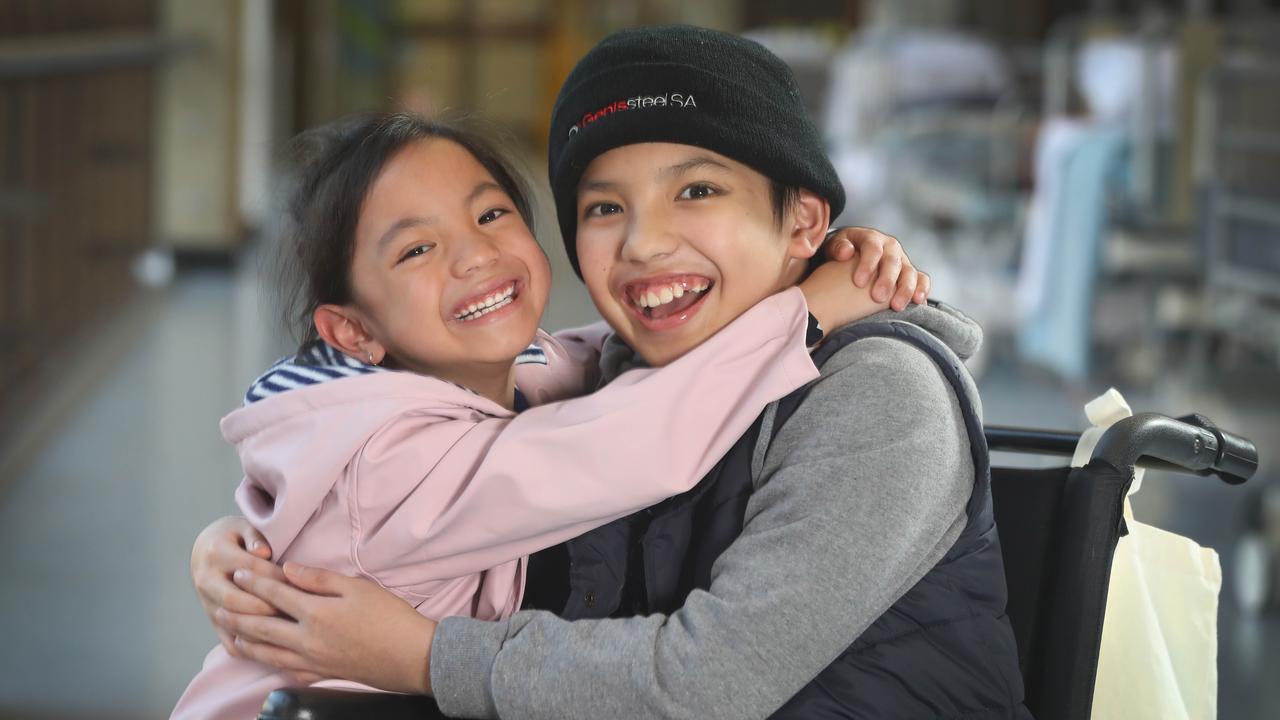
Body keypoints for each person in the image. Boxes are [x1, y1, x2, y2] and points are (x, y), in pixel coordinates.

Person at [203, 26, 1027, 719]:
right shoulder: (620, 377)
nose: (642, 245)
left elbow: (706, 680)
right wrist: (235, 549)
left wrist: (425, 656)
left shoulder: (879, 397)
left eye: (697, 190)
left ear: (804, 218)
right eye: (604, 208)